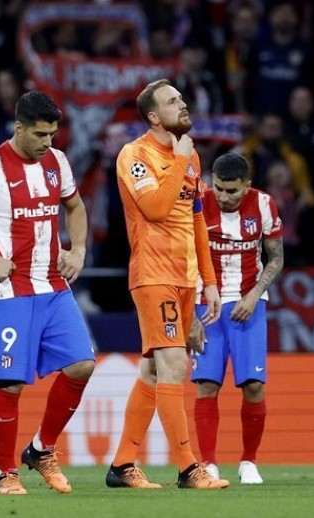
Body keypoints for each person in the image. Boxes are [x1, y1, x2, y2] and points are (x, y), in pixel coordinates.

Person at [0, 90, 95, 496]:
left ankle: (41, 449)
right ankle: (7, 473)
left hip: (54, 288)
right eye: (40, 134)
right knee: (8, 385)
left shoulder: (57, 162)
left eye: (53, 134)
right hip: (10, 292)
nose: (48, 142)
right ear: (19, 128)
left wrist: (77, 249)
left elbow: (75, 207)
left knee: (82, 366)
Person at [106, 79, 227, 490]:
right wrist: (180, 159)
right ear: (155, 117)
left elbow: (196, 221)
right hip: (153, 274)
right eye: (173, 101)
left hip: (185, 277)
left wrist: (209, 281)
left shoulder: (189, 159)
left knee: (155, 371)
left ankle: (122, 465)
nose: (183, 103)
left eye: (182, 96)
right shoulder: (135, 155)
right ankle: (189, 468)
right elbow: (156, 209)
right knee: (176, 365)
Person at [190, 153, 284, 485]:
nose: (224, 196)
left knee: (254, 386)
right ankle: (209, 464)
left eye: (232, 190)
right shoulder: (196, 201)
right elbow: (182, 259)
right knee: (206, 385)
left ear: (246, 185)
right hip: (206, 305)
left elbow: (276, 258)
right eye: (219, 188)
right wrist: (190, 314)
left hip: (248, 303)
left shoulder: (264, 205)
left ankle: (249, 462)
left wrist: (255, 294)